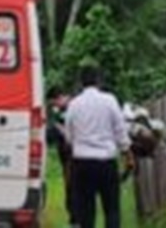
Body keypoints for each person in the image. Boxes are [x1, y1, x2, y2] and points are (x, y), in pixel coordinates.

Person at [65, 66, 134, 228]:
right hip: (106, 162)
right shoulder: (110, 101)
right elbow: (120, 131)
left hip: (82, 163)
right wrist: (128, 155)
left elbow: (69, 136)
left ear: (80, 83)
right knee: (112, 209)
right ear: (99, 81)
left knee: (86, 211)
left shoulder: (74, 104)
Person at [47, 88, 76, 225]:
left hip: (74, 156)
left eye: (54, 103)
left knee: (73, 188)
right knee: (69, 187)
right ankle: (73, 217)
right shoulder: (62, 111)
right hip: (66, 157)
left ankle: (75, 218)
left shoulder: (74, 108)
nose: (55, 107)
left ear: (60, 97)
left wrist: (60, 129)